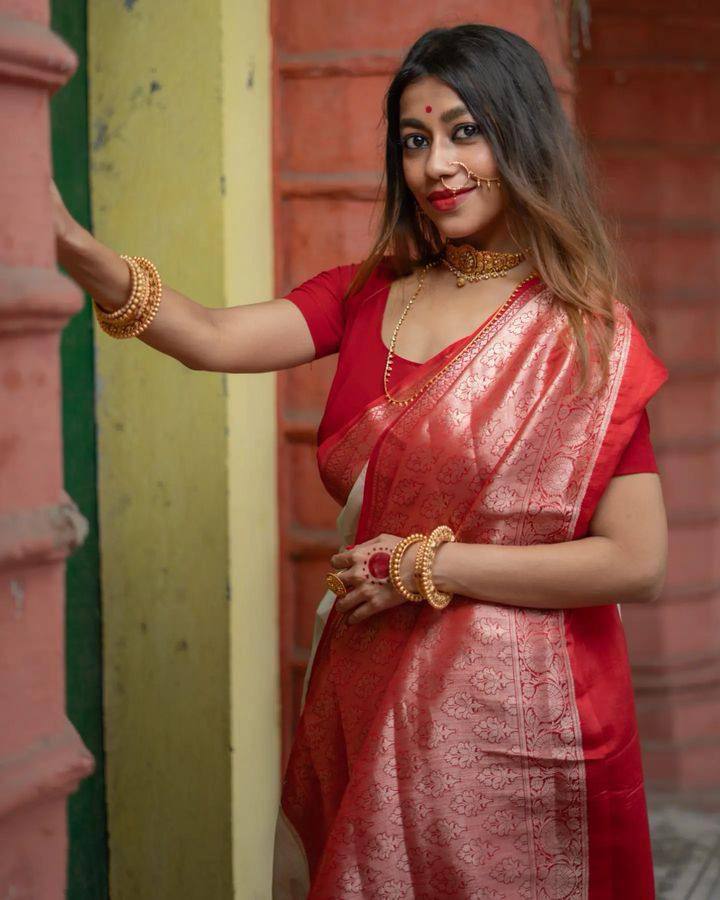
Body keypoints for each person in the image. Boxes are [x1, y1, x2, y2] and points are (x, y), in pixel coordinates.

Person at [53, 22, 668, 900]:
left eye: (467, 131)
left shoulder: (581, 332)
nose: (438, 165)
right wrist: (77, 252)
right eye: (415, 141)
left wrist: (429, 564)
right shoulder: (370, 290)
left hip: (522, 723)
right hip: (366, 685)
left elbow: (637, 563)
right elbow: (214, 337)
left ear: (521, 134)